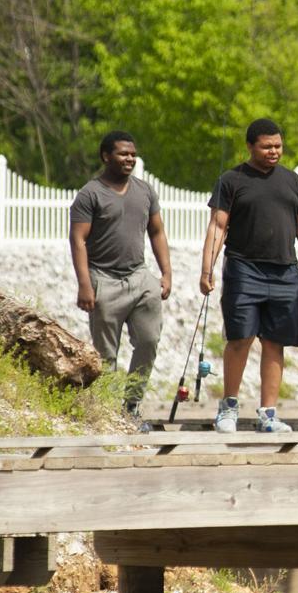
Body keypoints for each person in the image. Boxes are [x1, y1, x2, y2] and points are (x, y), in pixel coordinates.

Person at [200, 118, 298, 434]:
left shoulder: (292, 182)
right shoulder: (231, 180)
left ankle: (268, 414)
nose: (274, 151)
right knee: (240, 337)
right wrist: (208, 269)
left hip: (286, 272)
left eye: (278, 146)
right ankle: (228, 408)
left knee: (275, 343)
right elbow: (218, 226)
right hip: (244, 268)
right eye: (267, 146)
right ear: (250, 146)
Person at [69, 130, 172, 420]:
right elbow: (77, 240)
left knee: (150, 340)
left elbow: (157, 232)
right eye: (123, 153)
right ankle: (108, 413)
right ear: (106, 156)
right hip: (104, 280)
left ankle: (132, 405)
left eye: (132, 154)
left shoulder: (145, 191)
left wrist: (165, 273)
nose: (129, 158)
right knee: (106, 354)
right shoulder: (90, 194)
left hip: (140, 278)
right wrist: (85, 285)